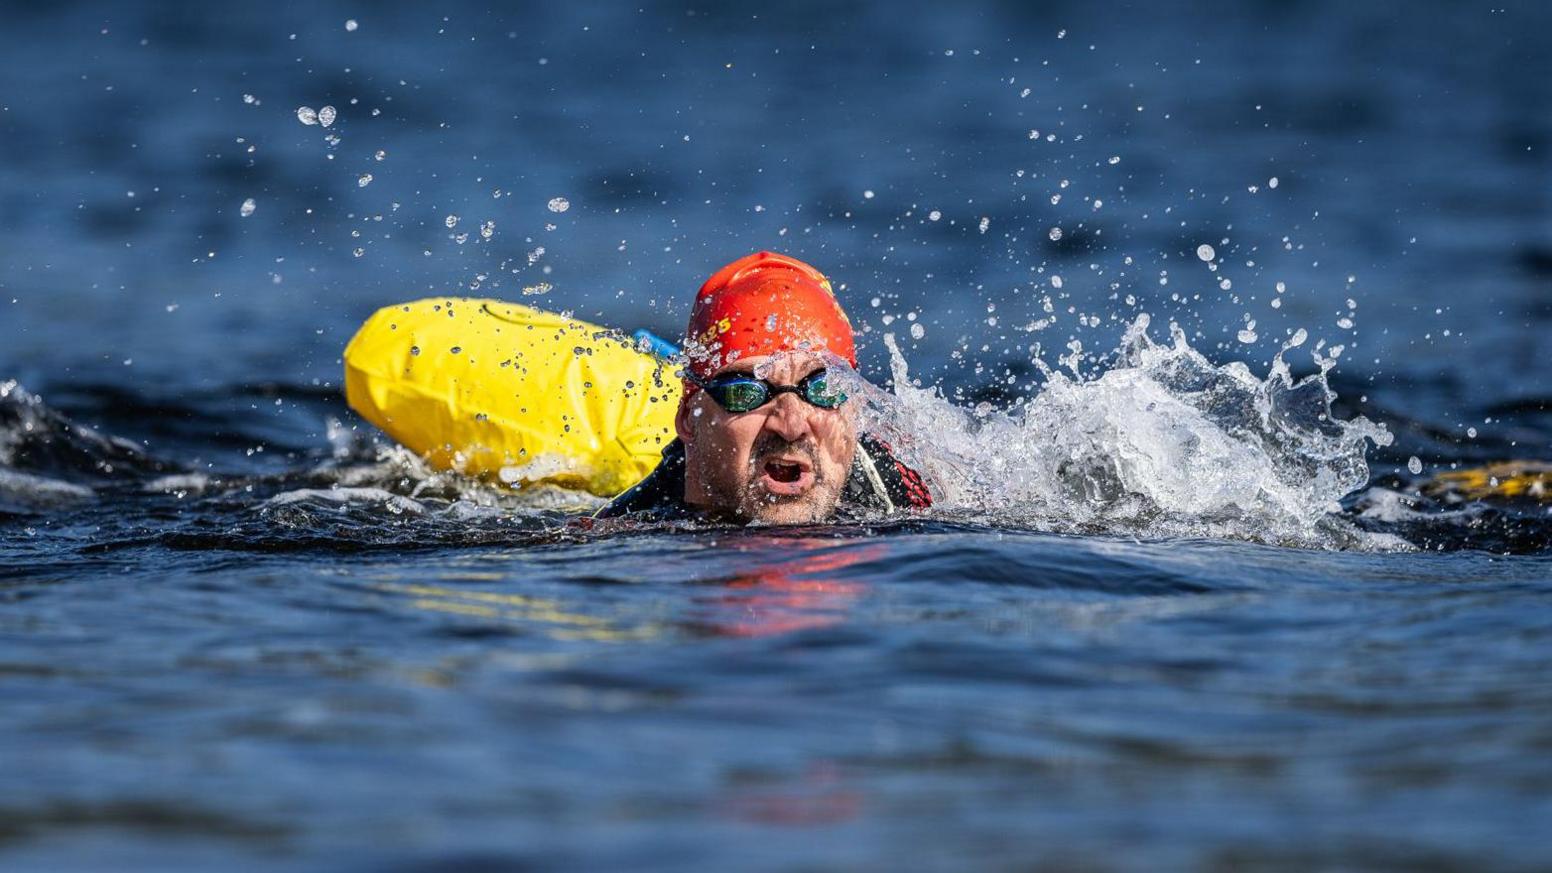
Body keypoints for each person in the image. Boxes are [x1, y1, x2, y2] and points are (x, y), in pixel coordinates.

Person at [597, 251, 932, 523]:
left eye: (823, 389)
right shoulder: (630, 527)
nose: (791, 425)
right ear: (688, 416)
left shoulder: (909, 492)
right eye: (746, 392)